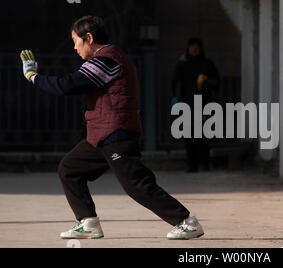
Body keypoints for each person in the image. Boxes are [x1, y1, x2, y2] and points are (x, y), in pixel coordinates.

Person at [20, 16, 204, 240]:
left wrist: (34, 77)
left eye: (75, 40)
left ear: (88, 38)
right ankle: (88, 222)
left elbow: (67, 85)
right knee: (69, 168)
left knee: (136, 184)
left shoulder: (108, 59)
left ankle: (186, 222)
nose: (74, 47)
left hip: (116, 133)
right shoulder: (104, 58)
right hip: (101, 135)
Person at [171, 38, 220, 173]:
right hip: (187, 104)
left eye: (197, 46)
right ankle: (191, 165)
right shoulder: (182, 64)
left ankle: (204, 164)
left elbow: (216, 82)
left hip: (204, 104)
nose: (195, 49)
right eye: (192, 46)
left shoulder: (207, 63)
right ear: (188, 48)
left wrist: (207, 81)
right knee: (189, 136)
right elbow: (176, 83)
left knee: (204, 135)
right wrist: (176, 99)